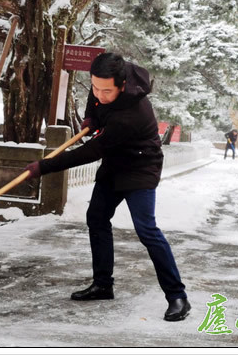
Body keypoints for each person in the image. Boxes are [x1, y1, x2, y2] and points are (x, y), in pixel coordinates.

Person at [23, 53, 190, 322]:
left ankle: (177, 296)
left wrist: (44, 167)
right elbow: (96, 101)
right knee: (97, 218)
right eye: (95, 87)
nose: (99, 94)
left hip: (140, 168)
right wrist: (92, 117)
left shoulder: (132, 114)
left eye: (106, 90)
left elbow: (90, 151)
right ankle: (103, 285)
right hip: (115, 163)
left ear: (123, 86)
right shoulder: (106, 82)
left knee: (147, 230)